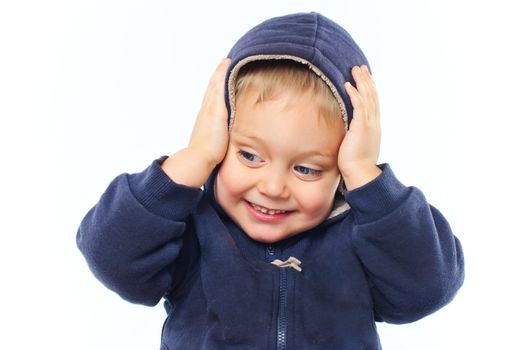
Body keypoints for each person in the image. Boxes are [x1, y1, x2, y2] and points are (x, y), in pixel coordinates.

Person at [77, 12, 464, 349]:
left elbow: (428, 288)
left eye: (307, 169)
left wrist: (368, 176)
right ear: (221, 140)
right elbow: (110, 257)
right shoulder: (194, 229)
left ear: (342, 171)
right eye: (249, 155)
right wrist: (192, 159)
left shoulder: (365, 236)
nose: (274, 187)